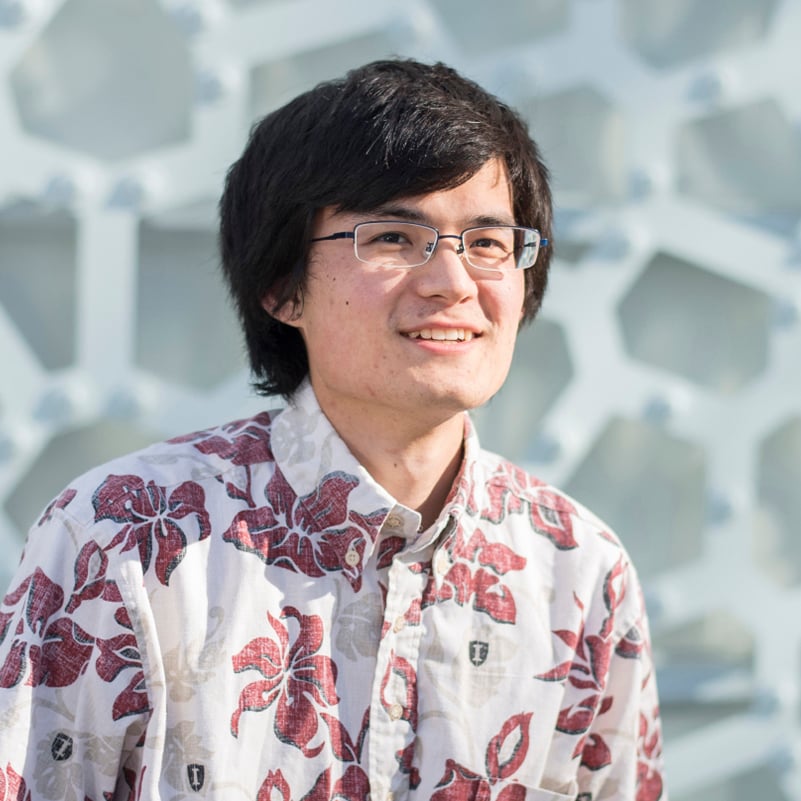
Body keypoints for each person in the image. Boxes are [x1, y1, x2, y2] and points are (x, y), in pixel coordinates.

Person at [0, 59, 665, 800]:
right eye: (394, 237)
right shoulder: (123, 539)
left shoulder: (579, 570)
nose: (452, 283)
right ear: (282, 287)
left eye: (487, 243)